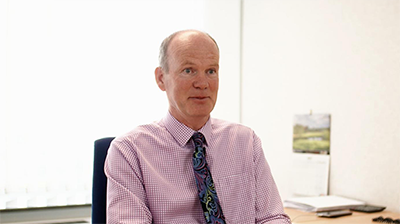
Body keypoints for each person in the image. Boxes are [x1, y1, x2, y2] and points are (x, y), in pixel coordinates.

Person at [105, 29, 291, 224]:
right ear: (161, 78)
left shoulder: (245, 141)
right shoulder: (129, 151)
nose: (202, 83)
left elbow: (272, 217)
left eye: (211, 71)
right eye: (188, 70)